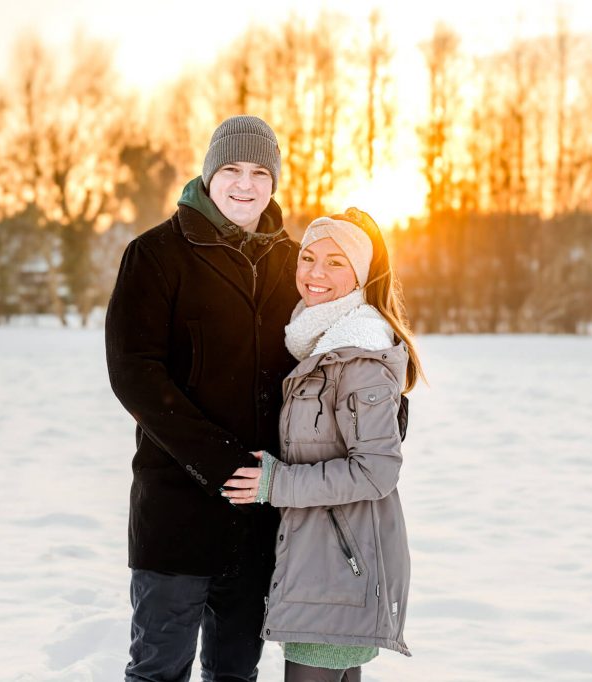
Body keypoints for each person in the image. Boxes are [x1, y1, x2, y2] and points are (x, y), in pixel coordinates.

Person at [105, 115, 301, 681]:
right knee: (158, 671)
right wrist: (221, 463)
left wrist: (383, 403)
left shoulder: (296, 262)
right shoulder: (157, 254)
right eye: (233, 169)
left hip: (261, 517)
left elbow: (336, 347)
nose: (246, 184)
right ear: (209, 174)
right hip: (177, 514)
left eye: (261, 172)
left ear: (275, 181)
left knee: (236, 674)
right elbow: (135, 373)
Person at [223, 207, 423, 682]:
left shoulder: (360, 355)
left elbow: (377, 469)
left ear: (361, 274)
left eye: (335, 263)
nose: (315, 273)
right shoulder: (314, 343)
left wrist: (276, 483)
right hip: (321, 559)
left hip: (339, 564)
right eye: (308, 257)